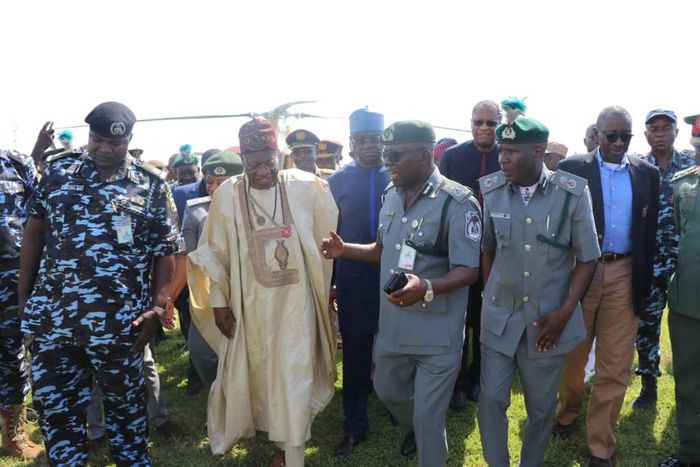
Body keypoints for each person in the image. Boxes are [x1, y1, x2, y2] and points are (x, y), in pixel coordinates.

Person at [18, 101, 183, 466]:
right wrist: (23, 299)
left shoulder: (150, 186)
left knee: (127, 418)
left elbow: (167, 250)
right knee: (58, 416)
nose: (104, 149)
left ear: (129, 142)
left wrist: (158, 306)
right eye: (97, 139)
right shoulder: (59, 173)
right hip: (54, 322)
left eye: (114, 144)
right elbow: (33, 234)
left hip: (121, 326)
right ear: (88, 135)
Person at [322, 120, 481, 466]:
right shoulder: (391, 196)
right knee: (388, 392)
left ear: (425, 155)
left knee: (427, 420)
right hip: (394, 326)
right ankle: (420, 427)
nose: (387, 162)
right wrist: (344, 249)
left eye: (394, 155)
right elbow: (383, 249)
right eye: (384, 155)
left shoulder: (456, 202)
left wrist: (426, 286)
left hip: (438, 332)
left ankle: (428, 442)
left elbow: (469, 269)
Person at [187, 117, 338, 467]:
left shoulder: (307, 186)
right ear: (244, 161)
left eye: (267, 163)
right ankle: (280, 441)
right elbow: (215, 253)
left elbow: (325, 241)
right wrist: (221, 303)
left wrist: (322, 284)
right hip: (249, 308)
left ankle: (292, 451)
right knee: (263, 375)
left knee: (295, 373)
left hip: (297, 305)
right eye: (253, 164)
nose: (261, 172)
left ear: (278, 155)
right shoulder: (227, 194)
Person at [477, 116, 600, 467]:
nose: (503, 158)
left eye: (512, 151)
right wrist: (491, 295)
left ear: (538, 151)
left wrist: (564, 312)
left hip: (546, 323)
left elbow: (587, 258)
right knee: (490, 399)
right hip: (499, 319)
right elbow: (488, 249)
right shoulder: (492, 189)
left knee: (541, 408)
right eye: (501, 150)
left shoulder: (571, 194)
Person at [554, 106, 660, 467]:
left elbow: (650, 232)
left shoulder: (648, 174)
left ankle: (601, 445)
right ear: (597, 134)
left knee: (615, 365)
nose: (617, 142)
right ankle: (567, 412)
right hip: (581, 272)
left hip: (625, 272)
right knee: (573, 356)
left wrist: (645, 282)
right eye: (610, 135)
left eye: (624, 136)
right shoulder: (572, 169)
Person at [327, 108, 389, 457]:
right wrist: (333, 283)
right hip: (354, 280)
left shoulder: (399, 176)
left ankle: (400, 411)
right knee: (354, 354)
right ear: (352, 143)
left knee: (398, 349)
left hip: (395, 276)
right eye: (363, 140)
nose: (370, 147)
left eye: (375, 140)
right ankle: (354, 425)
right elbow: (330, 233)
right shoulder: (336, 181)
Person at [439, 100, 501, 407]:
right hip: (458, 253)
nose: (484, 128)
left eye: (491, 123)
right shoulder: (452, 157)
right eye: (479, 121)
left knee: (486, 317)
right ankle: (458, 380)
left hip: (496, 254)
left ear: (500, 125)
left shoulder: (508, 156)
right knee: (458, 318)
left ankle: (479, 377)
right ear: (471, 122)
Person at [633, 110, 695, 410]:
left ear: (676, 132)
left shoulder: (692, 166)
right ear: (646, 134)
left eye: (666, 128)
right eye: (653, 128)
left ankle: (691, 383)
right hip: (652, 264)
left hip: (687, 265)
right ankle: (648, 385)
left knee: (690, 327)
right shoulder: (639, 169)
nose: (660, 133)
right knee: (647, 327)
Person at [171, 151, 244, 388]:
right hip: (210, 293)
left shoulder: (256, 209)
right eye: (210, 182)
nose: (213, 188)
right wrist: (168, 299)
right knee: (202, 351)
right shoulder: (196, 211)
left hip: (250, 290)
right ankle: (221, 397)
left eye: (221, 183)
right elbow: (186, 260)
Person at [0, 148, 43, 460]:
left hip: (12, 277)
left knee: (13, 353)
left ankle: (14, 435)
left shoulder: (18, 163)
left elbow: (39, 216)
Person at [657, 163, 700, 467]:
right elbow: (680, 234)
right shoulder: (683, 183)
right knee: (688, 382)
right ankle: (691, 453)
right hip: (688, 299)